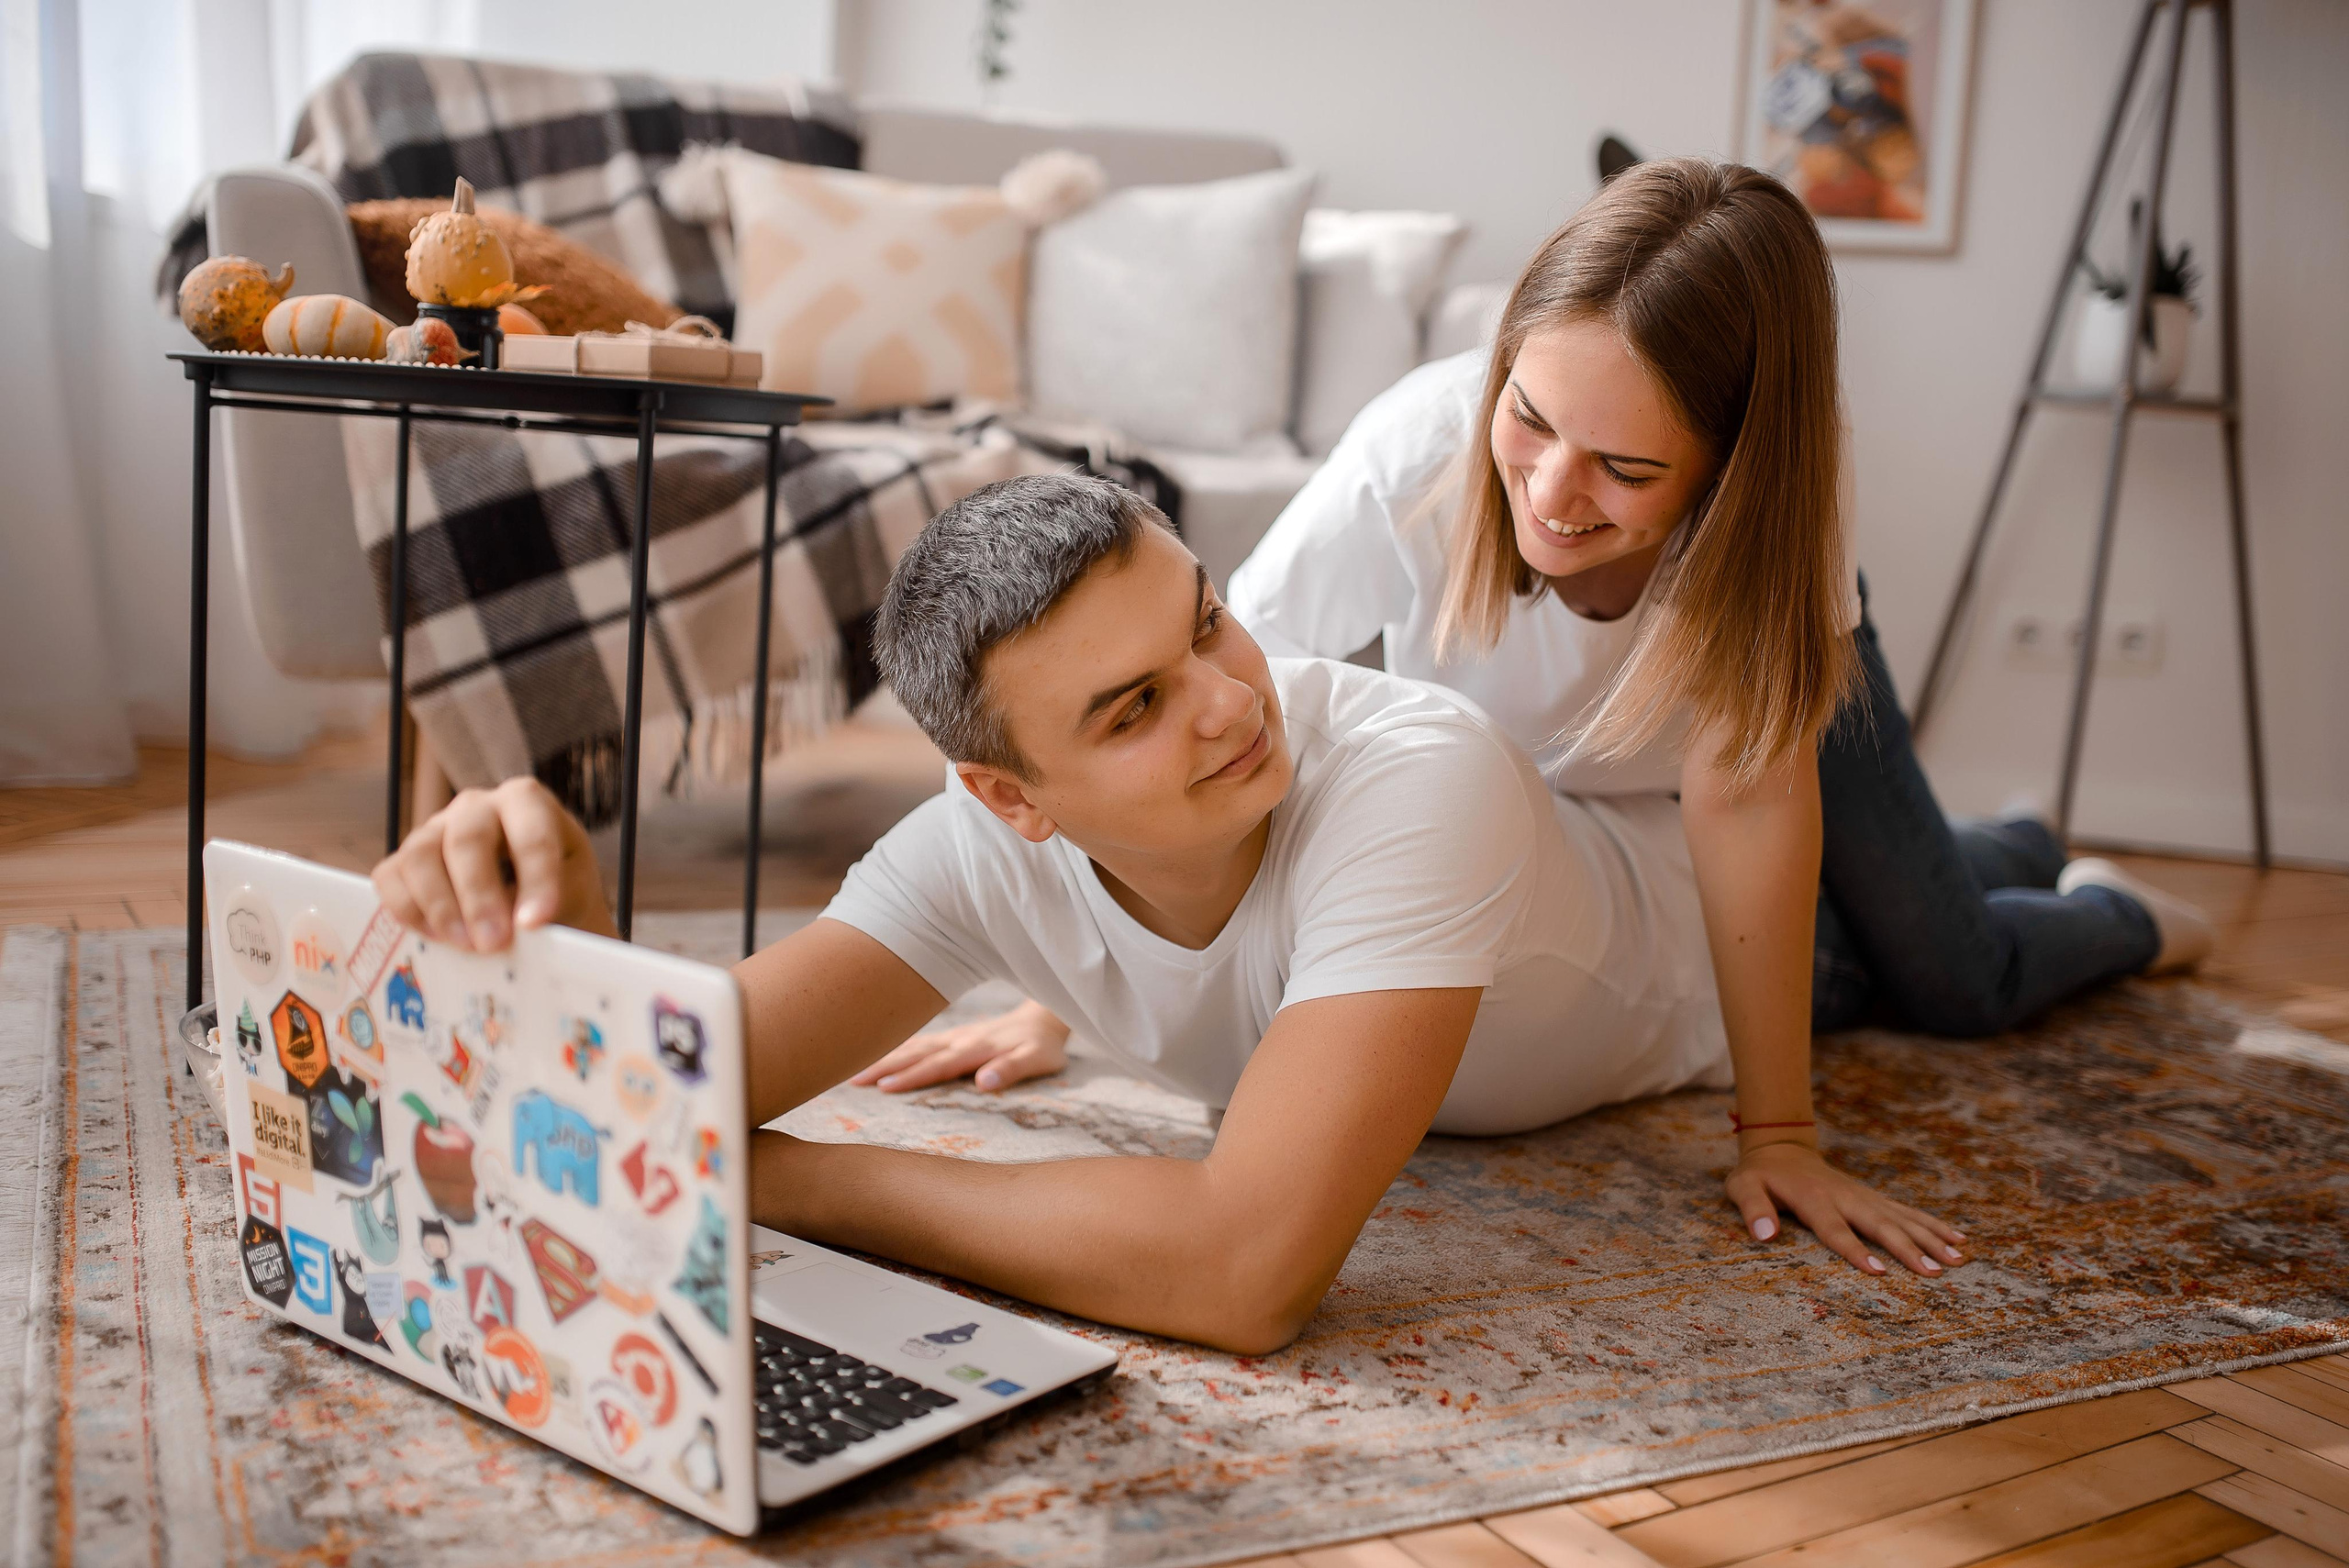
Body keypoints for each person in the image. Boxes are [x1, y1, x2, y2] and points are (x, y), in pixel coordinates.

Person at [879, 159, 2211, 1277]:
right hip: (1589, 823)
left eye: (1627, 469)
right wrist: (1073, 997)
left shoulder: (1783, 528)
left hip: (1772, 733)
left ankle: (2105, 897)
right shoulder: (1418, 451)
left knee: (1950, 976)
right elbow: (1219, 714)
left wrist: (1778, 1131)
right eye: (1531, 418)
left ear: (1728, 470)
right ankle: (1997, 840)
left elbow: (1745, 800)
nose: (1554, 496)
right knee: (1871, 924)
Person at [370, 474, 1965, 1354]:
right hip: (1495, 959)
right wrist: (562, 934)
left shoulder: (1419, 778)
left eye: (1210, 623)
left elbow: (1241, 1271)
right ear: (1012, 795)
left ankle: (2089, 890)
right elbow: (673, 1073)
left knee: (1978, 953)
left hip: (1724, 957)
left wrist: (787, 1180)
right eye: (1134, 708)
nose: (1225, 706)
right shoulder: (970, 848)